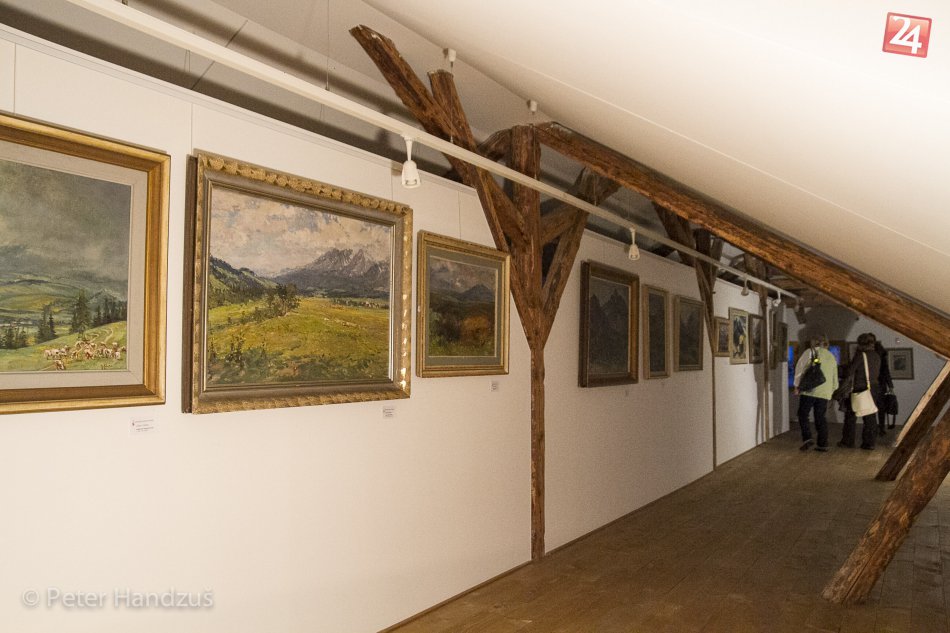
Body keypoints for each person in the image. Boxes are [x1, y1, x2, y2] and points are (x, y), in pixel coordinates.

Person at [793, 335, 839, 452]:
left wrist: (797, 386)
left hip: (809, 389)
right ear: (826, 343)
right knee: (820, 417)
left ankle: (807, 438)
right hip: (825, 392)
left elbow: (799, 369)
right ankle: (823, 444)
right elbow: (835, 377)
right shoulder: (831, 356)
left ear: (814, 342)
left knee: (803, 414)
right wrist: (832, 391)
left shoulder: (810, 352)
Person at [845, 333, 885, 450]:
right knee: (870, 416)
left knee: (851, 415)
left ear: (861, 343)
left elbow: (850, 371)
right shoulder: (876, 355)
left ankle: (848, 441)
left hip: (861, 387)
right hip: (874, 387)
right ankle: (869, 443)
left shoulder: (861, 355)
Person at [872, 336, 894, 435]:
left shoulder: (871, 356)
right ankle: (881, 428)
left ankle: (874, 428)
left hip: (873, 384)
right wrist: (890, 386)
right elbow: (886, 372)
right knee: (881, 408)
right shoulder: (882, 356)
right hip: (881, 385)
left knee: (872, 408)